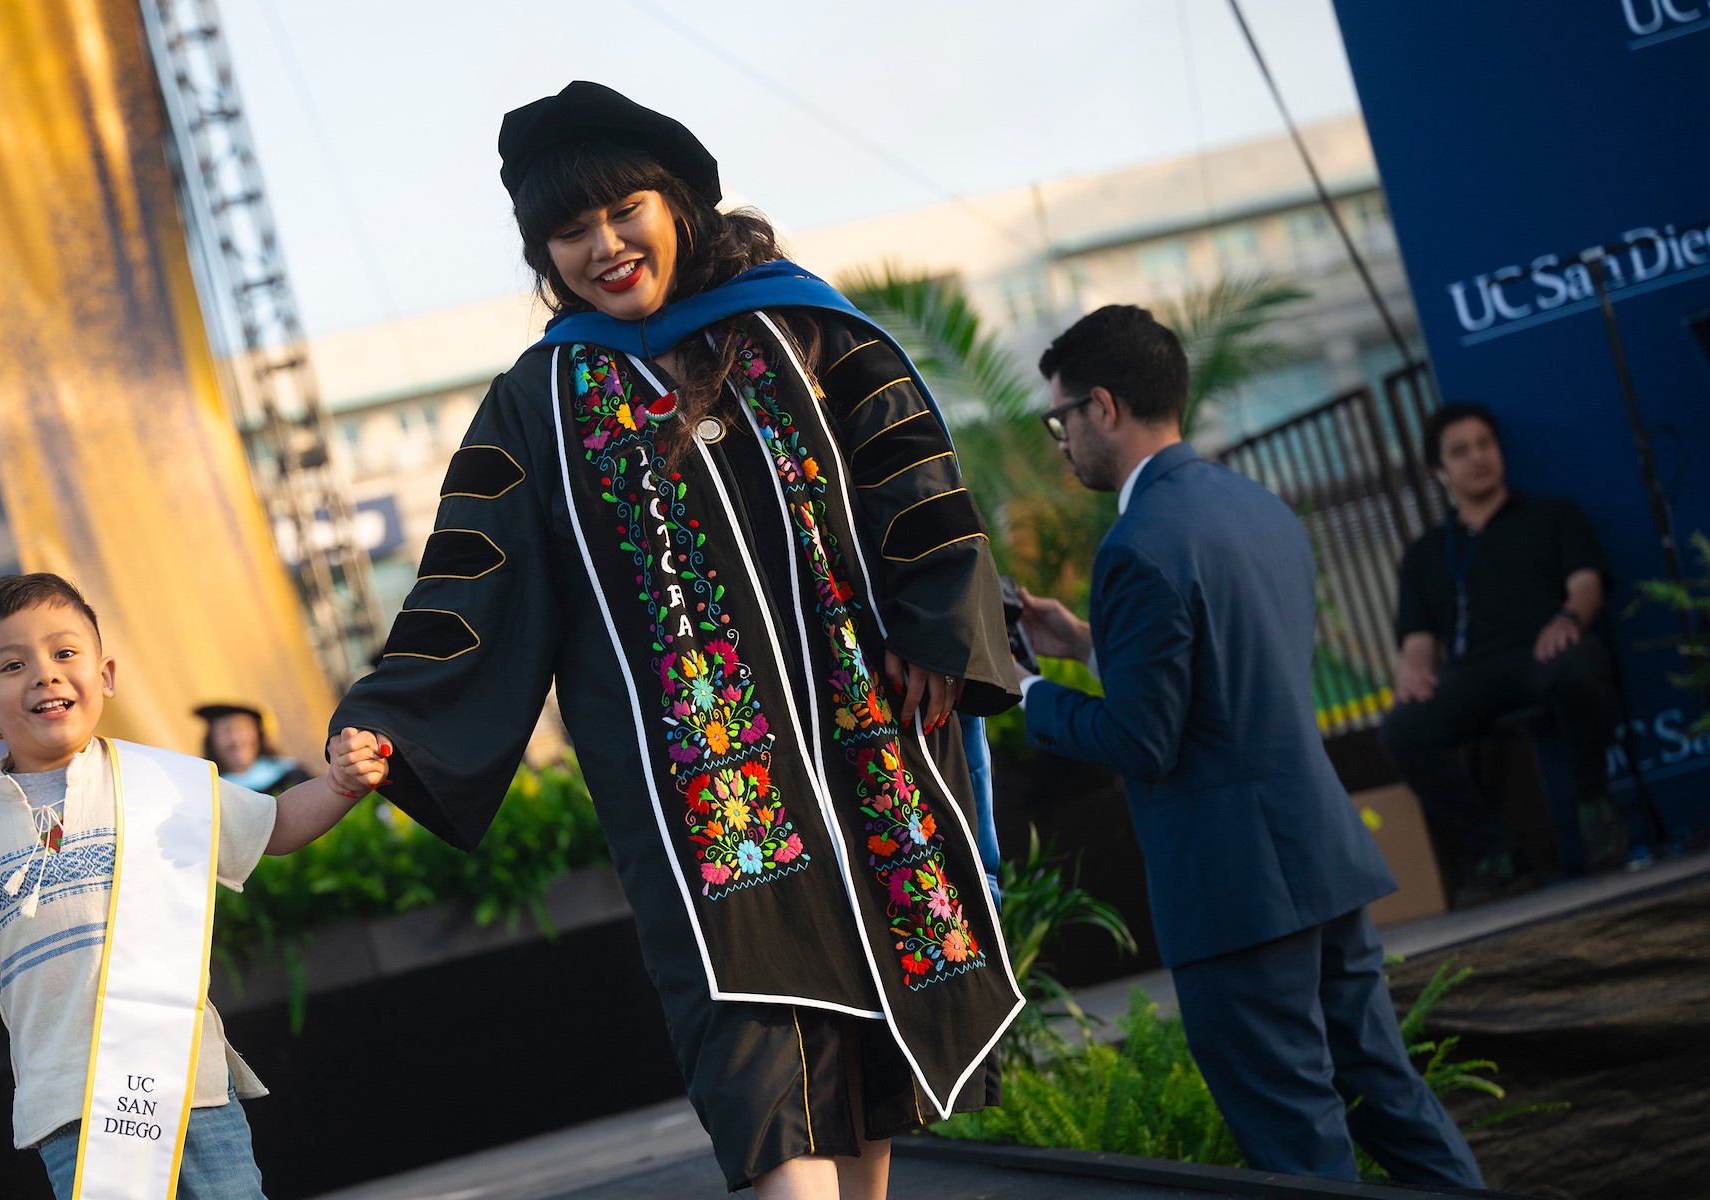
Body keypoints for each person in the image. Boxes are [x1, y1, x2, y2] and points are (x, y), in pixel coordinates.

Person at [328, 82, 1022, 1198]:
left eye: (623, 210)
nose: (603, 247)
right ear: (542, 254)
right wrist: (389, 716)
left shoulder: (798, 328)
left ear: (680, 202)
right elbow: (473, 573)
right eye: (569, 231)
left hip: (863, 735)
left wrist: (938, 630)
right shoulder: (542, 399)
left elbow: (911, 472)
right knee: (751, 1037)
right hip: (701, 789)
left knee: (872, 1038)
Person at [1014, 306, 1481, 1186]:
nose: (1060, 441)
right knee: (1391, 1097)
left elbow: (1141, 740)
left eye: (1061, 419)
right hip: (1320, 859)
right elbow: (1233, 668)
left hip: (1236, 893)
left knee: (1295, 1143)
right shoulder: (1256, 508)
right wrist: (1089, 642)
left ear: (1103, 407)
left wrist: (1029, 691)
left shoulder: (1135, 547)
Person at [0, 573, 388, 1199]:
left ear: (106, 676)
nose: (45, 675)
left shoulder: (163, 782)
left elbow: (273, 827)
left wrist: (338, 785)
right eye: (12, 665)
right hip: (66, 1101)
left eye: (64, 654)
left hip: (183, 1079)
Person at [1380, 402, 1625, 899]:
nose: (1477, 458)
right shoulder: (1426, 552)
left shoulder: (1554, 515)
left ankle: (1593, 809)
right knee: (1402, 727)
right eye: (1460, 451)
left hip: (1546, 656)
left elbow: (1587, 585)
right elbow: (1418, 641)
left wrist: (1567, 619)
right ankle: (1497, 851)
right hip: (1475, 674)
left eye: (1485, 444)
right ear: (1439, 470)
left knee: (1579, 661)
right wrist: (1412, 672)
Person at [195, 702, 313, 793]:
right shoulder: (210, 792)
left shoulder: (290, 773)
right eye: (226, 731)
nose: (236, 739)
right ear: (211, 741)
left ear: (258, 735)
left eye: (242, 729)